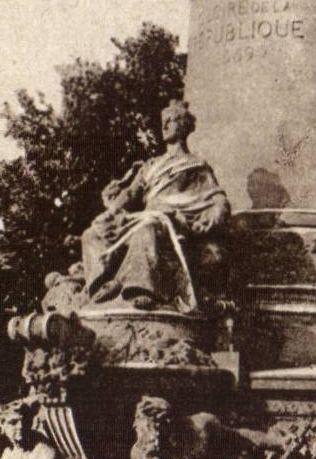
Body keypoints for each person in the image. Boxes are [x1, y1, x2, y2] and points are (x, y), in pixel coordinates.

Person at [80, 101, 229, 311]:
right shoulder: (150, 166)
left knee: (147, 228)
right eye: (163, 121)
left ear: (184, 126)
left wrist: (209, 219)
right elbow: (131, 193)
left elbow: (216, 197)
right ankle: (100, 286)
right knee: (91, 234)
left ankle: (140, 290)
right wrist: (111, 211)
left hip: (166, 221)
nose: (165, 125)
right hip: (140, 219)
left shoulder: (195, 165)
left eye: (172, 120)